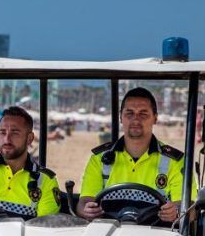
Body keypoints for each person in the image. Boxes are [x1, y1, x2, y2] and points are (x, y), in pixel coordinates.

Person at [77, 87, 192, 224]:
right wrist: (87, 209)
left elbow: (189, 210)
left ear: (155, 118)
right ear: (121, 117)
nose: (136, 120)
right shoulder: (99, 159)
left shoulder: (176, 162)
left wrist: (177, 212)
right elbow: (84, 201)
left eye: (143, 114)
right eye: (129, 113)